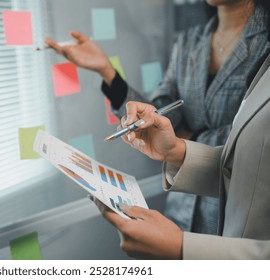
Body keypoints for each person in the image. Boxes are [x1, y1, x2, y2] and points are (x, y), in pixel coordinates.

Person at [45, 0, 270, 235]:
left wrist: (178, 141)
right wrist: (107, 71)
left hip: (235, 219)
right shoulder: (188, 41)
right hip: (180, 211)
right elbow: (160, 113)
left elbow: (249, 143)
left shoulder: (265, 45)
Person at [96, 48, 270, 258]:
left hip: (217, 234)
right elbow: (252, 161)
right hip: (180, 214)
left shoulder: (260, 41)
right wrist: (177, 150)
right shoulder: (188, 42)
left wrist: (183, 248)